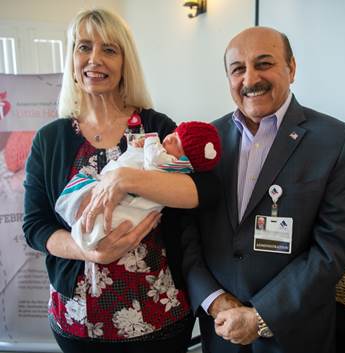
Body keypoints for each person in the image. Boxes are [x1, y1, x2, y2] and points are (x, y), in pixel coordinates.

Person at [23, 8, 219, 353]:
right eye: (84, 47)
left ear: (125, 61)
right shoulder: (50, 140)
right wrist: (87, 251)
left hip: (159, 315)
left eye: (109, 50)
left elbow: (203, 192)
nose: (94, 59)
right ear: (71, 58)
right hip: (78, 321)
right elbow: (36, 225)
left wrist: (127, 179)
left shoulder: (157, 127)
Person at [181, 26, 345, 353]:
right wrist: (214, 299)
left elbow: (332, 248)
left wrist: (261, 315)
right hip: (220, 331)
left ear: (291, 68)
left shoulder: (337, 141)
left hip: (294, 334)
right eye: (238, 69)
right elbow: (187, 233)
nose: (250, 79)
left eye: (264, 64)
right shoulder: (206, 141)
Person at [55, 121, 221, 251]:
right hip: (76, 281)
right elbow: (36, 225)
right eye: (174, 133)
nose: (169, 138)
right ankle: (82, 229)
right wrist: (86, 254)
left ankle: (85, 231)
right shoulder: (55, 135)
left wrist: (124, 177)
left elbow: (209, 189)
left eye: (178, 143)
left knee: (105, 220)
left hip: (153, 279)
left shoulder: (168, 157)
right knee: (92, 214)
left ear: (185, 161)